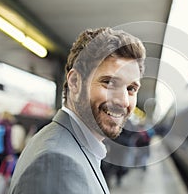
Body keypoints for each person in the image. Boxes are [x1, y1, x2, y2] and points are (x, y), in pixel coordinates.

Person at [9, 27, 146, 194]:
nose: (123, 101)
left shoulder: (71, 148)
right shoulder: (57, 162)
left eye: (131, 88)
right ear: (74, 82)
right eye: (109, 83)